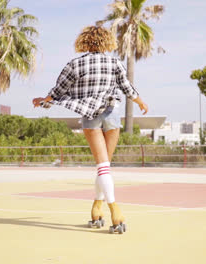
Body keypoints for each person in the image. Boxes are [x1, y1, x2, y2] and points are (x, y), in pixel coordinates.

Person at [32, 26, 148, 233]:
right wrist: (140, 102)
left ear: (84, 42)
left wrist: (43, 101)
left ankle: (112, 210)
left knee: (103, 167)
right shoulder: (114, 62)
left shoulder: (75, 64)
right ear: (106, 42)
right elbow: (127, 87)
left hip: (90, 115)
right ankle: (98, 208)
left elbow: (57, 92)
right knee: (105, 167)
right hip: (111, 113)